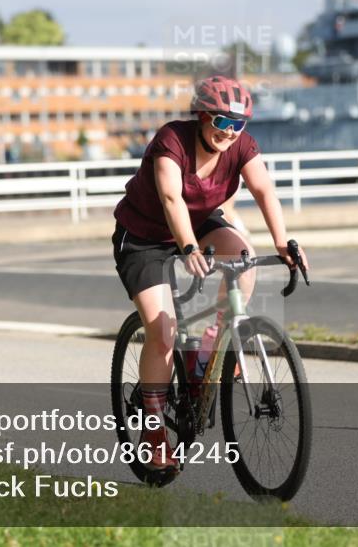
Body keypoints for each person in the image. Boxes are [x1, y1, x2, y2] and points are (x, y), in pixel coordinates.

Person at [112, 75, 309, 471]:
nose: (230, 132)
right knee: (163, 331)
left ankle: (211, 347)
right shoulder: (172, 140)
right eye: (221, 122)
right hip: (144, 237)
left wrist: (283, 243)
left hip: (199, 221)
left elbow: (264, 191)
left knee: (244, 258)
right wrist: (185, 246)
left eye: (238, 125)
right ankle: (153, 432)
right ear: (201, 115)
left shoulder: (242, 147)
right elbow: (170, 197)